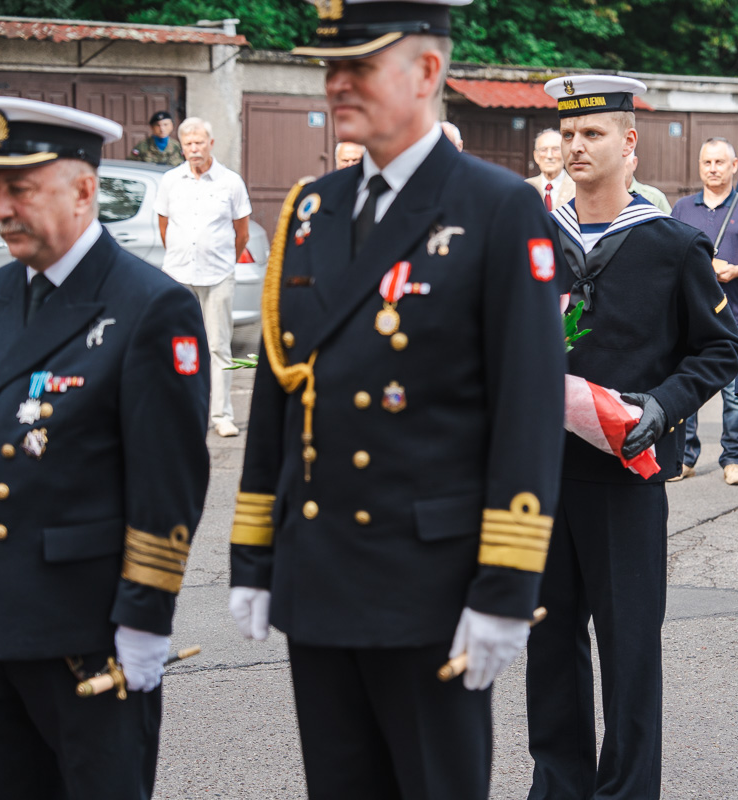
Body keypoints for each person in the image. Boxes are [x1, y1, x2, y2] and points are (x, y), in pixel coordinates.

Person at [227, 2, 566, 797]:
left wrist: (506, 589)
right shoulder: (315, 207)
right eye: (330, 67)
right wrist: (253, 553)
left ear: (426, 72)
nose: (337, 83)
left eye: (360, 66)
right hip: (319, 574)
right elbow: (285, 387)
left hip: (430, 584)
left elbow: (526, 407)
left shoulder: (495, 206)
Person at [0, 96, 210, 800]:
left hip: (82, 633)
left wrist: (146, 618)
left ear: (84, 190)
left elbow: (168, 480)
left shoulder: (149, 305)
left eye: (20, 189)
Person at [529, 74, 738, 799]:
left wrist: (663, 406)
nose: (576, 146)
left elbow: (720, 349)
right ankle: (558, 785)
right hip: (542, 477)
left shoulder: (672, 246)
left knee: (627, 651)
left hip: (625, 475)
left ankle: (626, 791)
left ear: (629, 144)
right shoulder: (531, 241)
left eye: (593, 134)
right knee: (548, 643)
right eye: (568, 134)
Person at [672, 137, 738, 486]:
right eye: (707, 162)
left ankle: (732, 459)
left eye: (720, 162)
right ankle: (685, 458)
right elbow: (668, 255)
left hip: (734, 315)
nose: (713, 169)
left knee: (733, 393)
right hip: (690, 317)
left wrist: (734, 270)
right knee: (687, 390)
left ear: (734, 165)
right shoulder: (682, 208)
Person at [155, 117, 251, 438]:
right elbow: (164, 225)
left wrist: (224, 262)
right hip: (178, 275)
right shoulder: (170, 181)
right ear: (181, 147)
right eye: (188, 144)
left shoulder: (231, 182)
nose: (194, 149)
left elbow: (242, 233)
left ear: (211, 143)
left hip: (218, 275)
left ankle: (222, 415)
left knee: (219, 346)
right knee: (177, 345)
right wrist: (180, 256)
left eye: (199, 142)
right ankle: (177, 411)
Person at [525, 128, 575, 211]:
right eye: (543, 150)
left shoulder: (578, 189)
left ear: (565, 153)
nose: (549, 156)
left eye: (555, 149)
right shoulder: (526, 187)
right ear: (536, 156)